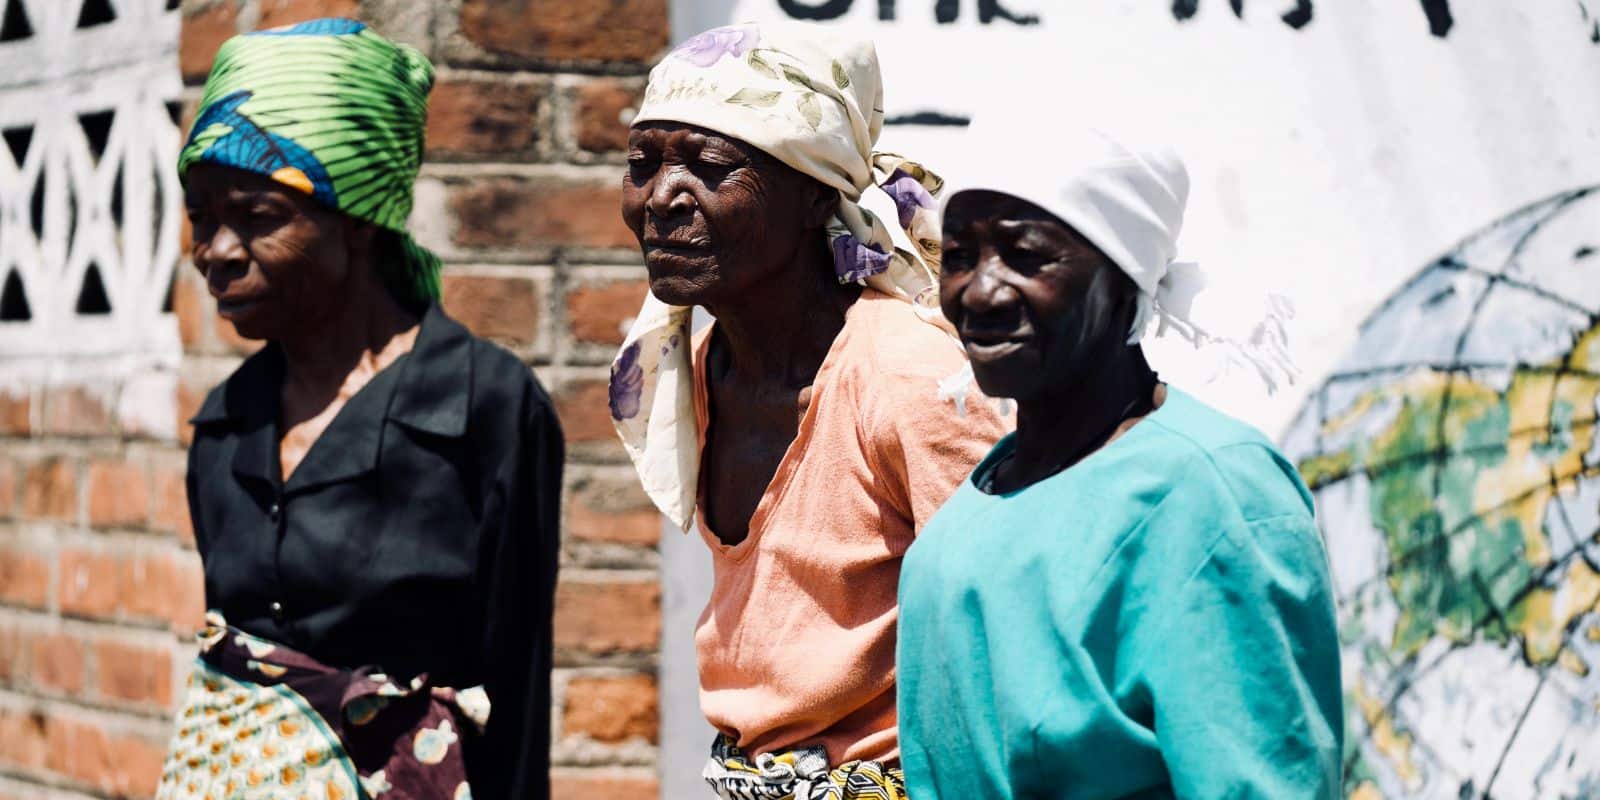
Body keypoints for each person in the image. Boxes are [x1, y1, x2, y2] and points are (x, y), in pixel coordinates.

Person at [160, 19, 561, 800]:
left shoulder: (480, 408)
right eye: (201, 216)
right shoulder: (228, 424)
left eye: (258, 216)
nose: (217, 251)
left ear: (358, 220)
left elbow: (516, 689)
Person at [610, 22, 1010, 799]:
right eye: (642, 164)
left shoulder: (908, 378)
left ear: (813, 195)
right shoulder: (704, 366)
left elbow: (1001, 640)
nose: (661, 198)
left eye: (709, 168)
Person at [895, 119, 1343, 799]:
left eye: (1025, 256)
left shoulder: (1211, 492)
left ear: (1124, 279)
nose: (979, 291)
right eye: (958, 256)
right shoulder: (967, 517)